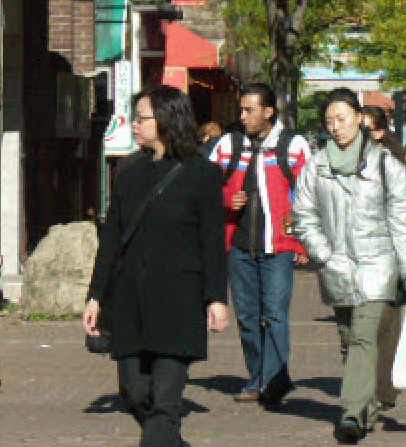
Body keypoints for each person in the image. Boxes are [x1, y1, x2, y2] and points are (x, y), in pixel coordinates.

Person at [83, 86, 229, 446]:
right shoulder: (129, 171)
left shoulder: (202, 174)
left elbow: (212, 241)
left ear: (166, 119)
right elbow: (112, 240)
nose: (135, 124)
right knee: (135, 393)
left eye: (142, 117)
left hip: (179, 299)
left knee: (165, 405)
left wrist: (216, 298)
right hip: (131, 298)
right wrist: (95, 296)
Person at [293, 88, 406, 443]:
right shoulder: (317, 166)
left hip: (377, 266)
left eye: (342, 119)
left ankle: (350, 414)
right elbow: (303, 214)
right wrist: (323, 252)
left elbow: (403, 224)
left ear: (359, 120)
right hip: (336, 267)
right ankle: (367, 409)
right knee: (349, 341)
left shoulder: (386, 165)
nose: (336, 127)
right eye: (329, 121)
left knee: (365, 337)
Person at [209, 82, 312, 406]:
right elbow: (203, 185)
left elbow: (309, 197)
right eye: (241, 109)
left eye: (249, 110)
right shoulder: (228, 144)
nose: (242, 116)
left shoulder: (293, 145)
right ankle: (258, 378)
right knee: (248, 318)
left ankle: (274, 380)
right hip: (239, 247)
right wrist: (227, 198)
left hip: (278, 246)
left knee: (276, 315)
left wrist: (303, 245)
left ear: (268, 112)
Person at [360, 105, 406, 415]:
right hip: (359, 254)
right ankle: (367, 383)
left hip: (389, 252)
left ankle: (383, 387)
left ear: (380, 132)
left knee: (385, 321)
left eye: (367, 129)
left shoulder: (399, 161)